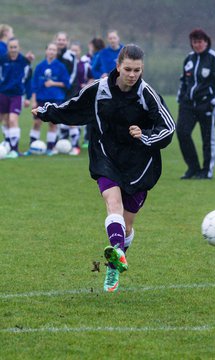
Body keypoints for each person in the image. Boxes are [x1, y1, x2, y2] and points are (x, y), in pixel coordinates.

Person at [32, 44, 175, 292]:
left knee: (127, 225)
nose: (132, 75)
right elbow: (74, 107)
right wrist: (46, 111)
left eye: (137, 70)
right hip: (106, 155)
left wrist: (145, 135)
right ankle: (115, 257)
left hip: (139, 162)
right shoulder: (99, 89)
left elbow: (168, 126)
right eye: (128, 69)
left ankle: (113, 263)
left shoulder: (146, 93)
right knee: (113, 204)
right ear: (118, 66)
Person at [176, 28, 215, 179]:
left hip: (207, 104)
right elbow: (183, 80)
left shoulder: (214, 58)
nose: (197, 45)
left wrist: (213, 102)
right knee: (182, 133)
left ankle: (206, 171)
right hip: (187, 104)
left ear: (206, 42)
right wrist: (181, 98)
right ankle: (193, 168)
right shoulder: (189, 58)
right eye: (194, 42)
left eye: (200, 42)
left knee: (207, 138)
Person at [25, 42, 70, 155]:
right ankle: (32, 147)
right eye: (50, 49)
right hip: (41, 98)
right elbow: (34, 85)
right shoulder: (40, 66)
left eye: (54, 50)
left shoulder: (61, 66)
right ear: (46, 51)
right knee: (36, 122)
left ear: (56, 52)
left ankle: (50, 147)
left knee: (52, 123)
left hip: (56, 98)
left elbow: (66, 83)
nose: (51, 52)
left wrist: (54, 83)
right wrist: (34, 100)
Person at [0, 37, 32, 157]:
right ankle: (8, 144)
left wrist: (28, 97)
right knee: (5, 120)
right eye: (11, 47)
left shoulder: (24, 61)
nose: (13, 49)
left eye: (15, 47)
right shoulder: (2, 60)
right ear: (7, 48)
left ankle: (15, 149)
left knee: (13, 120)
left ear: (19, 48)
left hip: (17, 95)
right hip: (3, 93)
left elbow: (28, 80)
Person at [54, 31, 80, 155]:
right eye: (59, 39)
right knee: (60, 116)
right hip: (58, 90)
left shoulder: (71, 55)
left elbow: (73, 73)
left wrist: (66, 85)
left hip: (70, 90)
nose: (61, 42)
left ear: (67, 42)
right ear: (56, 40)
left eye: (63, 40)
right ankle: (60, 143)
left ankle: (75, 146)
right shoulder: (53, 53)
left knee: (72, 117)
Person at [70, 41, 94, 150]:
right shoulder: (67, 64)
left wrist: (87, 84)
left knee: (82, 117)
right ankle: (65, 141)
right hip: (69, 93)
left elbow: (91, 77)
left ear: (80, 51)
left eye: (76, 50)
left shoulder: (84, 64)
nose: (74, 52)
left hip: (82, 94)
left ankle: (82, 141)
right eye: (72, 50)